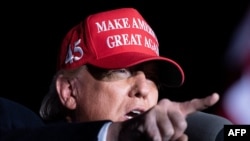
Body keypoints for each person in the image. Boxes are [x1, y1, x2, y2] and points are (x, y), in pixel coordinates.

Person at [1, 7, 231, 141]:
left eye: (152, 78)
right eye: (121, 71)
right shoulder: (14, 123)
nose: (143, 89)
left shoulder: (209, 132)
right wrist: (113, 134)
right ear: (69, 91)